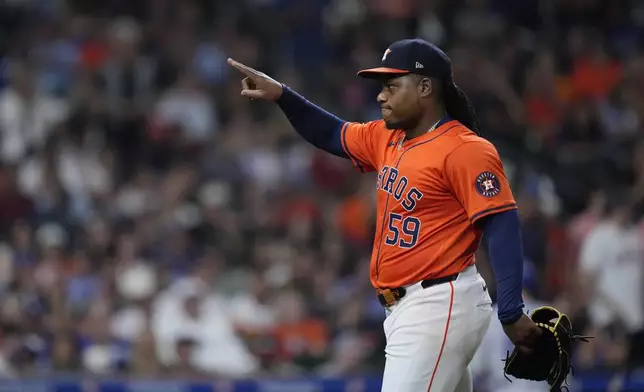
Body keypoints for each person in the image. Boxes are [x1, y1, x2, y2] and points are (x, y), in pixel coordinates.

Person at [228, 38, 540, 392]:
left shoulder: (465, 149)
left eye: (392, 86)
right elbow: (330, 133)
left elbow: (501, 222)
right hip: (409, 309)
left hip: (439, 304)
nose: (381, 96)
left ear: (425, 87)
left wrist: (512, 310)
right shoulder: (388, 137)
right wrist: (282, 95)